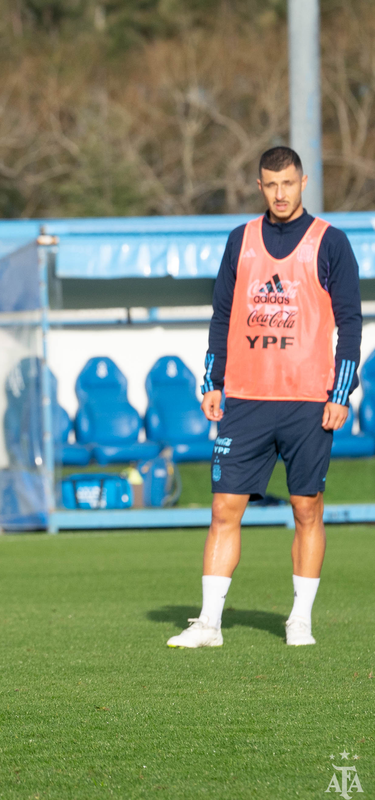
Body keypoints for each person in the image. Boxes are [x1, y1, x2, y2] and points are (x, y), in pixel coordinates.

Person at [167, 146, 361, 649]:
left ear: (303, 183)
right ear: (259, 186)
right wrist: (212, 382)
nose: (280, 193)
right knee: (223, 508)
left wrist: (341, 392)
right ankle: (209, 624)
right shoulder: (241, 240)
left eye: (288, 183)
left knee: (306, 509)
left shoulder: (330, 242)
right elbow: (221, 316)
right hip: (246, 400)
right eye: (271, 185)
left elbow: (350, 322)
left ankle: (300, 620)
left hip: (308, 402)